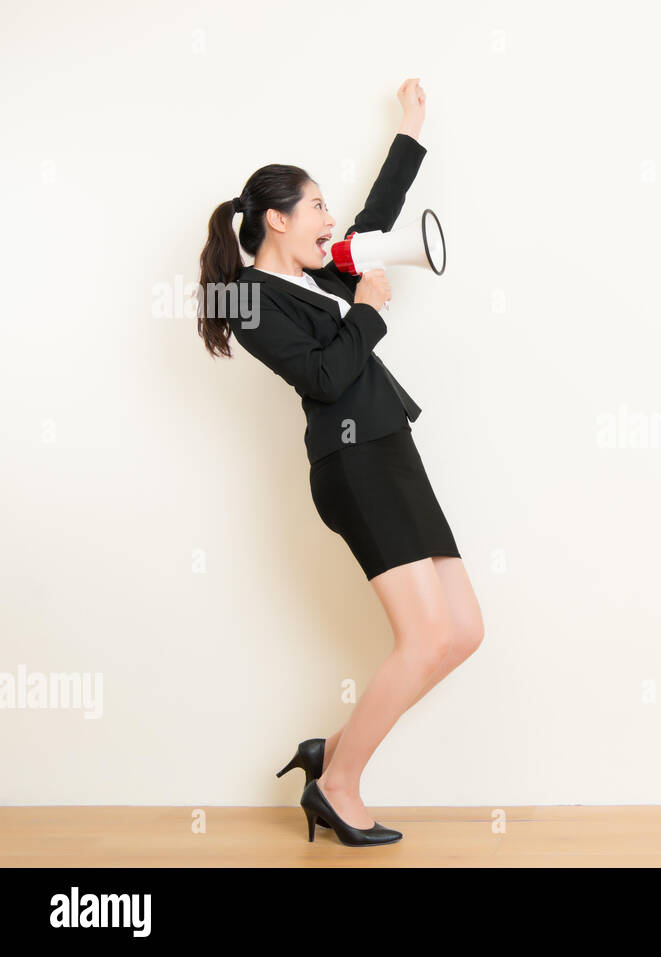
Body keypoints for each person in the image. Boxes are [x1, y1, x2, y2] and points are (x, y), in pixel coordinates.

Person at [195, 79, 483, 846]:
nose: (329, 219)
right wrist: (368, 311)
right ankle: (340, 783)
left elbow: (377, 221)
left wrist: (413, 129)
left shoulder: (315, 272)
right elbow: (323, 378)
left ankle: (335, 753)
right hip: (352, 466)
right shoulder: (249, 302)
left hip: (391, 447)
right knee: (423, 637)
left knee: (462, 630)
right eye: (316, 207)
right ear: (277, 219)